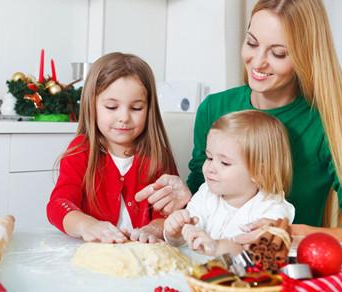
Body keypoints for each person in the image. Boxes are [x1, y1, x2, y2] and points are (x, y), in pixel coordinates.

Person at [136, 0, 342, 229]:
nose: (258, 61)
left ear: (306, 56)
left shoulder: (326, 122)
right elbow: (200, 195)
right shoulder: (214, 108)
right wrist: (183, 201)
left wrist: (289, 234)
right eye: (252, 43)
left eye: (278, 53)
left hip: (289, 262)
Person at [46, 52, 177, 243]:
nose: (124, 117)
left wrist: (153, 230)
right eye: (111, 107)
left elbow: (168, 215)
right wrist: (87, 225)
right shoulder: (82, 150)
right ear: (92, 106)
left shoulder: (158, 155)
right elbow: (58, 205)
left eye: (136, 108)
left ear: (149, 109)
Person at [164, 110, 295, 256]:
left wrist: (217, 247)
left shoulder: (271, 209)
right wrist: (176, 233)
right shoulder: (206, 194)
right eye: (209, 157)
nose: (210, 168)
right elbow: (186, 237)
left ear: (259, 172)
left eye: (225, 163)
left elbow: (256, 252)